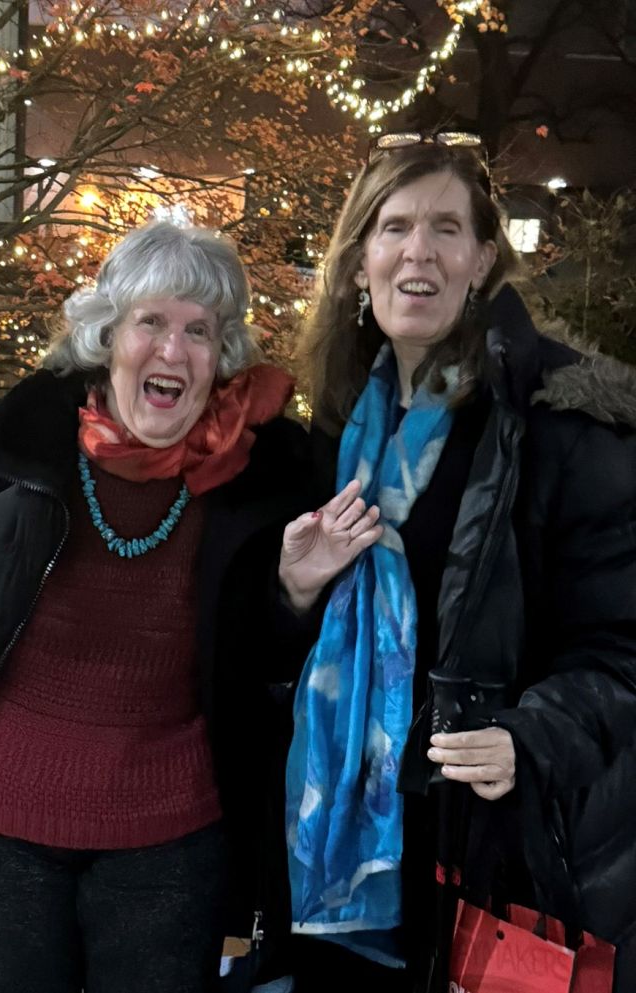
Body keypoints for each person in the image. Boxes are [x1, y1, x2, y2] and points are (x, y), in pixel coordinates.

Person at [0, 220, 376, 993]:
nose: (173, 351)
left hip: (171, 837)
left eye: (200, 331)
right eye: (151, 322)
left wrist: (292, 594)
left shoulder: (269, 478)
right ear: (107, 335)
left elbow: (271, 670)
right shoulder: (8, 447)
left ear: (224, 356)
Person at [278, 131, 636, 992]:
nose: (418, 252)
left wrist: (530, 738)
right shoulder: (335, 424)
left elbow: (621, 647)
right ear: (359, 258)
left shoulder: (556, 423)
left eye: (446, 228)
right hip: (345, 855)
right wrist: (295, 588)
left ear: (482, 259)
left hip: (493, 852)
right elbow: (270, 647)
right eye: (393, 226)